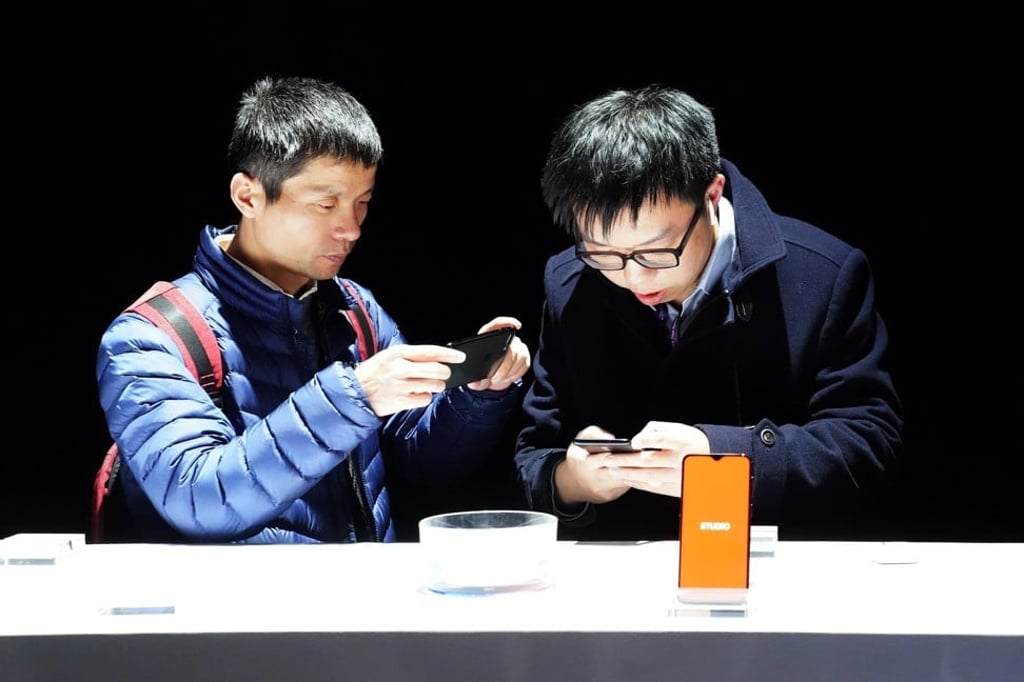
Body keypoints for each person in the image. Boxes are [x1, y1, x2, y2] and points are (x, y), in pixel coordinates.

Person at [95, 76, 530, 543]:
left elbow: (420, 466)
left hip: (359, 604)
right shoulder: (152, 335)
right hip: (231, 613)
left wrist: (476, 396)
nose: (351, 229)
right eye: (325, 204)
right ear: (248, 196)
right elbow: (198, 499)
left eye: (362, 203)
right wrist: (352, 398)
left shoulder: (357, 309)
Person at [514, 85, 903, 541]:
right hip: (623, 571)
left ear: (712, 193)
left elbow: (869, 442)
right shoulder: (569, 282)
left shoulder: (822, 273)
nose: (636, 279)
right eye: (604, 254)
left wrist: (721, 457)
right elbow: (535, 451)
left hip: (774, 563)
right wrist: (574, 481)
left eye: (657, 251)